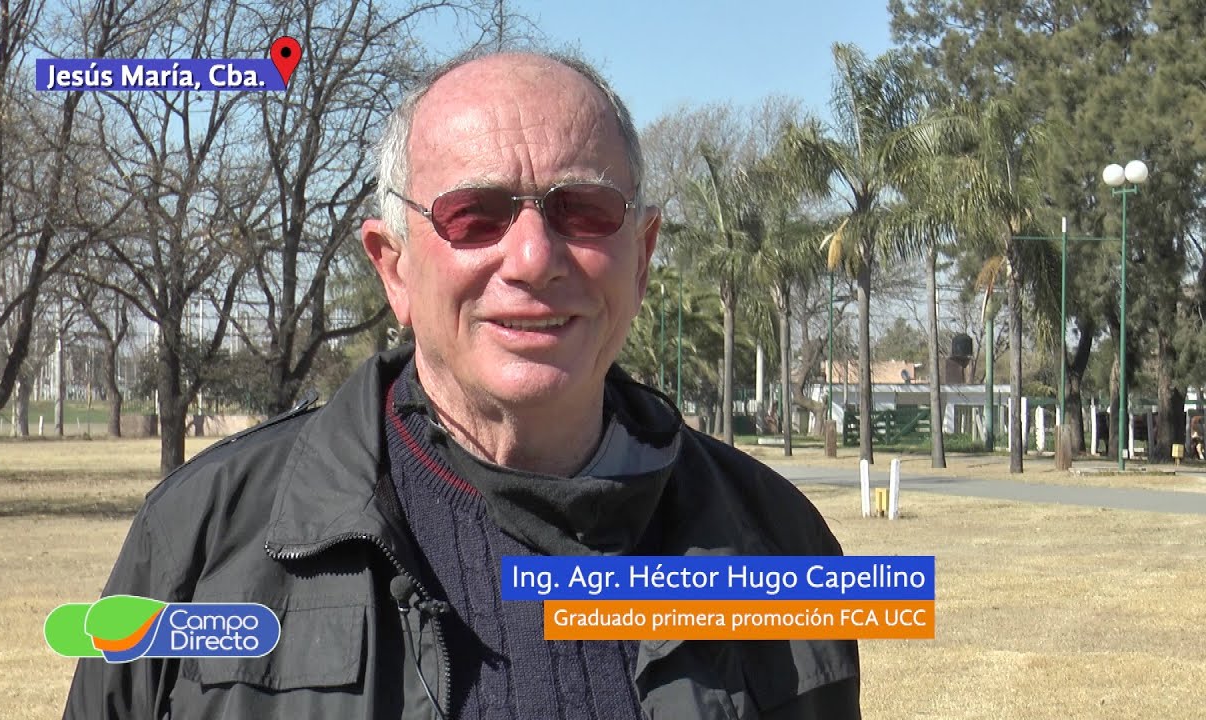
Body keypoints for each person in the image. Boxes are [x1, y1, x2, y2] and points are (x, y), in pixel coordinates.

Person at [64, 50, 860, 719]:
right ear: (394, 267)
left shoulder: (777, 544)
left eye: (583, 210)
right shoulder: (202, 541)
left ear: (643, 256)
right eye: (475, 215)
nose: (533, 258)